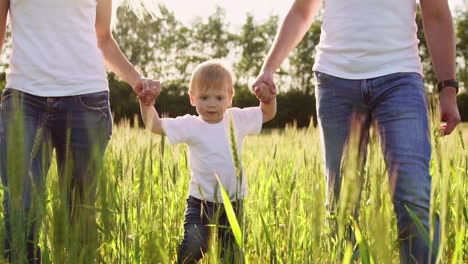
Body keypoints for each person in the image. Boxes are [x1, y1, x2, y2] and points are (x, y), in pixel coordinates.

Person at [252, 0, 461, 263]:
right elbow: (302, 10)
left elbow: (437, 15)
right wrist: (268, 68)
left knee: (413, 193)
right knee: (341, 201)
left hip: (400, 79)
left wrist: (448, 89)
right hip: (334, 82)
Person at [0, 0, 160, 263]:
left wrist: (136, 79)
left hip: (86, 101)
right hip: (23, 99)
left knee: (80, 213)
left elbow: (103, 38)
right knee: (20, 211)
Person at [139, 59, 276, 263]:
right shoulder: (190, 125)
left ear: (230, 98)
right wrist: (146, 103)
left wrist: (268, 98)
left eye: (219, 97)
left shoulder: (237, 119)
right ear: (192, 98)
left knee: (229, 256)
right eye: (204, 97)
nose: (211, 103)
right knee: (194, 248)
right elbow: (155, 125)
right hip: (200, 203)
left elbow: (267, 113)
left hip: (234, 202)